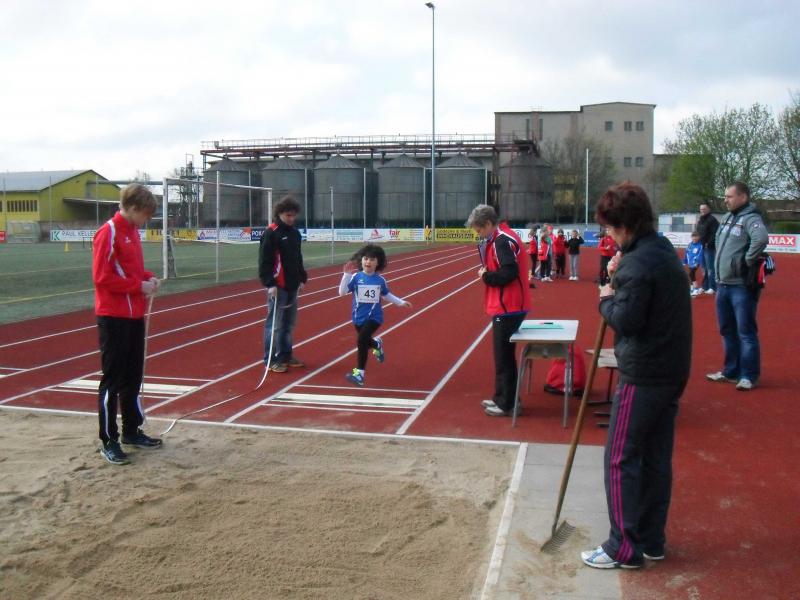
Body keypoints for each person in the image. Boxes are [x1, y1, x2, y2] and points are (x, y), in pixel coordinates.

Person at [581, 182, 691, 570]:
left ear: (625, 225)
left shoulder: (638, 263)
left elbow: (626, 320)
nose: (609, 235)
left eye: (611, 228)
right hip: (671, 369)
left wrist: (606, 297)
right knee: (655, 458)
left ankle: (623, 547)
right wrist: (620, 270)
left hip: (644, 373)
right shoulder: (659, 250)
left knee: (620, 458)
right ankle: (651, 539)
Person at [92, 183, 163, 466]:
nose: (146, 221)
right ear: (133, 208)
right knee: (112, 379)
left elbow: (131, 270)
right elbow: (102, 277)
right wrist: (138, 286)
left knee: (133, 375)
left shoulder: (132, 231)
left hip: (135, 315)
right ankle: (108, 440)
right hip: (113, 316)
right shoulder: (108, 232)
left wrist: (148, 277)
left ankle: (131, 430)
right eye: (145, 215)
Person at [466, 205, 531, 417]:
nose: (478, 235)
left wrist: (486, 276)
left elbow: (509, 272)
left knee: (504, 357)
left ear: (488, 223)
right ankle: (502, 397)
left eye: (479, 230)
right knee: (502, 355)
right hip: (508, 305)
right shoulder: (501, 237)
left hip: (509, 306)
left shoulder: (502, 240)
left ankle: (507, 403)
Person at [706, 182, 768, 392]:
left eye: (729, 196)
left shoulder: (751, 218)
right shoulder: (727, 218)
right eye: (725, 196)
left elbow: (761, 238)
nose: (725, 200)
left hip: (741, 286)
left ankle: (748, 375)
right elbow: (718, 240)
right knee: (726, 330)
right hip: (723, 284)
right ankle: (731, 371)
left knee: (745, 331)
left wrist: (746, 260)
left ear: (743, 197)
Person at [339, 244, 412, 386]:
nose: (368, 262)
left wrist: (401, 302)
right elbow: (342, 293)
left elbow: (386, 295)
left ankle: (359, 375)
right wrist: (346, 276)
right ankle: (377, 344)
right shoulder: (356, 277)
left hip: (374, 317)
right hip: (358, 317)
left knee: (361, 341)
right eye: (366, 259)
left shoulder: (380, 280)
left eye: (372, 259)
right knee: (366, 342)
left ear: (378, 263)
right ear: (361, 260)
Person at [259, 195, 308, 373]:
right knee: (275, 325)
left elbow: (297, 258)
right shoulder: (271, 233)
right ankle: (270, 360)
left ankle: (285, 356)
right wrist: (270, 283)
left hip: (292, 285)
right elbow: (265, 261)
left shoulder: (295, 233)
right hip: (278, 286)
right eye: (288, 215)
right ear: (279, 213)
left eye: (294, 215)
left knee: (289, 324)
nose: (291, 218)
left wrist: (301, 277)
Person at [696, 203, 719, 294]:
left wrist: (708, 243)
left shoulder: (712, 220)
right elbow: (699, 231)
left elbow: (715, 233)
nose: (702, 211)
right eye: (701, 209)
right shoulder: (701, 220)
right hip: (702, 246)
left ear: (709, 209)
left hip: (710, 247)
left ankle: (713, 287)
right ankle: (705, 286)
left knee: (710, 268)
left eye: (704, 209)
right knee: (704, 268)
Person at [683, 231, 705, 297]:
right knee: (690, 275)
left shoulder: (700, 245)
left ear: (699, 237)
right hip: (690, 262)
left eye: (696, 236)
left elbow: (700, 254)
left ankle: (696, 288)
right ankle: (692, 288)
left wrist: (697, 262)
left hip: (696, 263)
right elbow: (686, 253)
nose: (694, 238)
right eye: (693, 236)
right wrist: (684, 261)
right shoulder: (690, 245)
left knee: (691, 273)